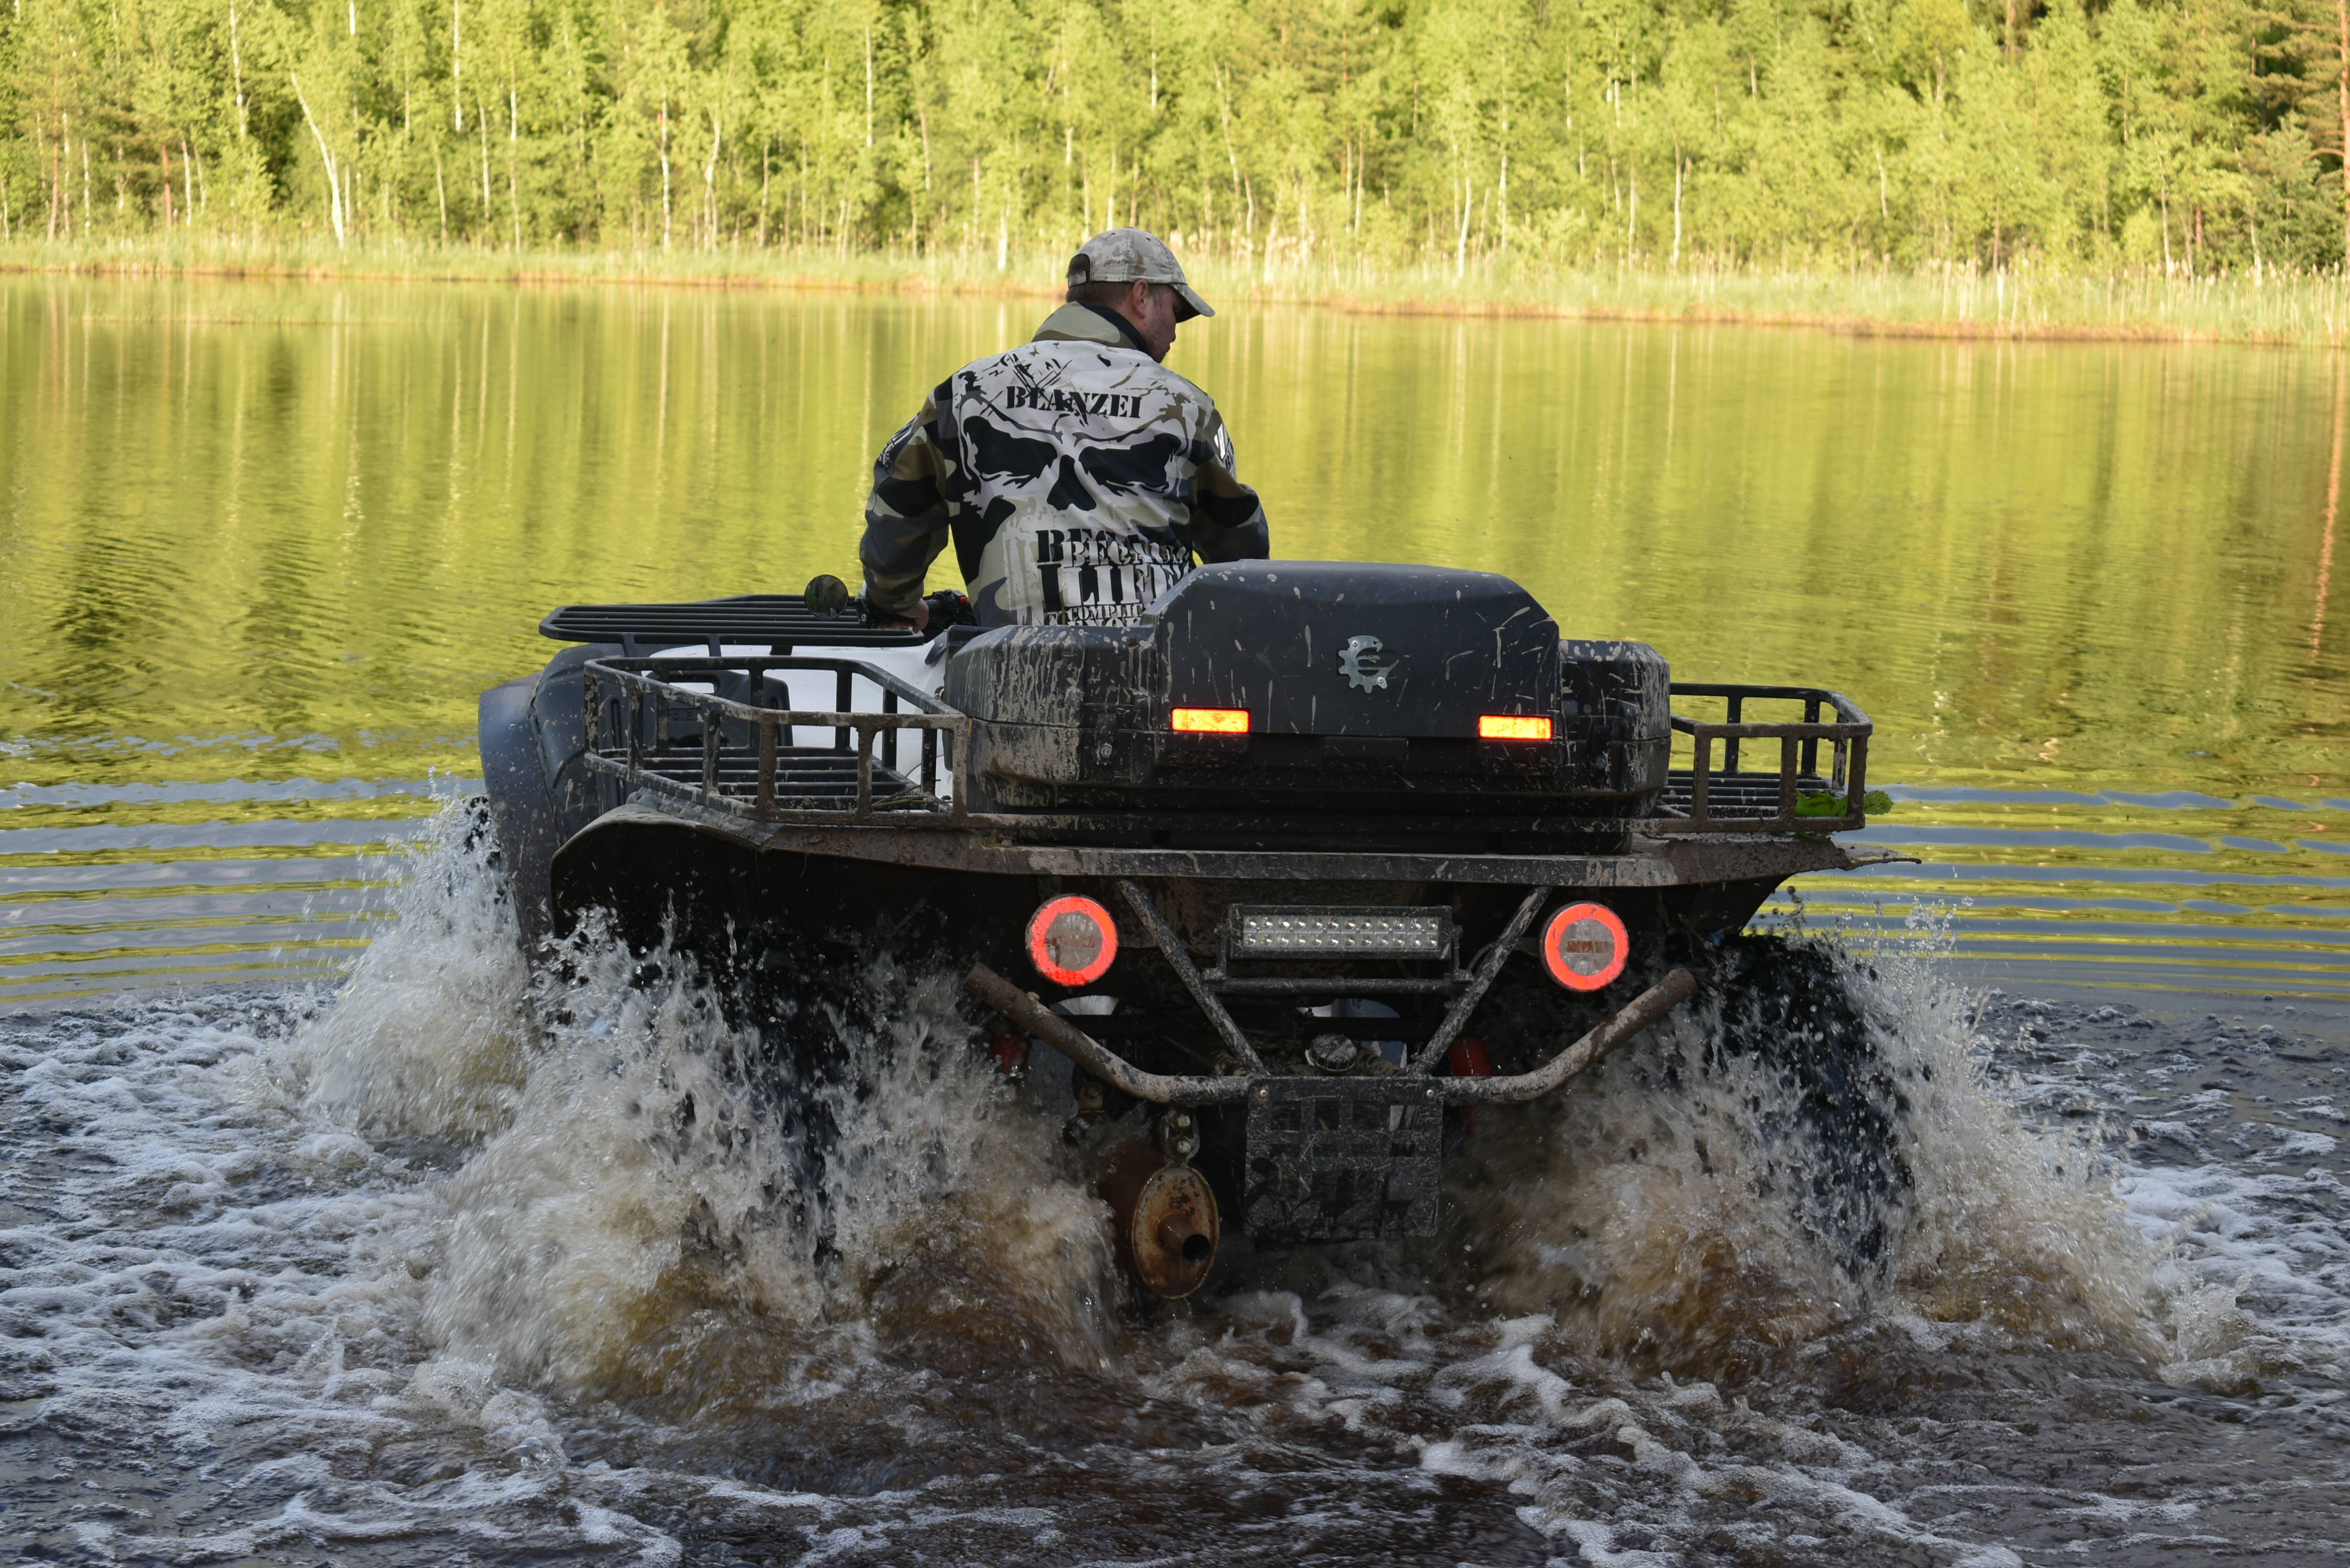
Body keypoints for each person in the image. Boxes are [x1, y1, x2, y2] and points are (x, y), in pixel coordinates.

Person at [859, 228, 1269, 630]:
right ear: (1141, 296)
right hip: (1153, 676)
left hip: (1008, 677)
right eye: (1176, 311)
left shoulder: (964, 394)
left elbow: (896, 513)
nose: (1176, 330)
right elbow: (1241, 559)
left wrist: (895, 603)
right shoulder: (1186, 407)